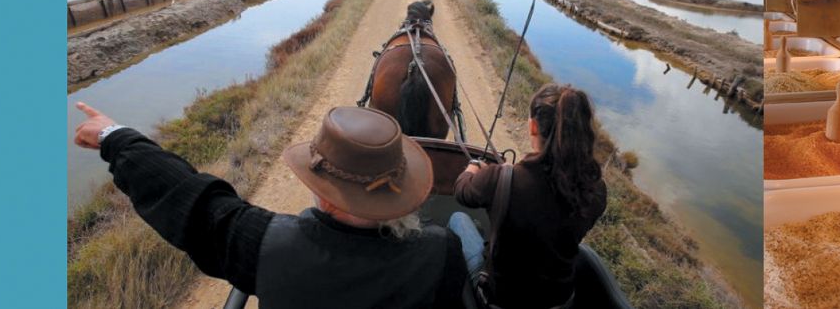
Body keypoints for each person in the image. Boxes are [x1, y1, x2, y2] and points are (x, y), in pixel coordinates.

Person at [73, 103, 468, 309]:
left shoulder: (262, 244)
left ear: (323, 192)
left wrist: (115, 135)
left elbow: (188, 195)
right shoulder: (442, 251)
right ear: (402, 189)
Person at [453, 85, 609, 308]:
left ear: (533, 126)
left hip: (499, 300)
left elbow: (461, 191)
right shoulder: (595, 189)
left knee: (458, 219)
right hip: (560, 302)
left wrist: (473, 167)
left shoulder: (500, 179)